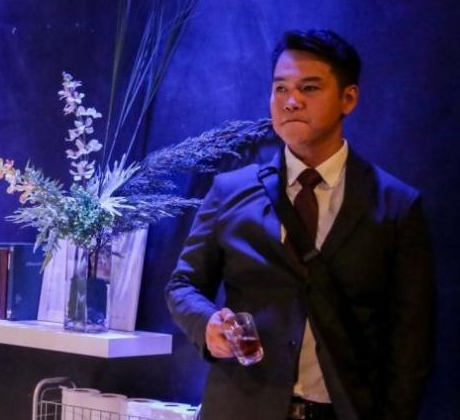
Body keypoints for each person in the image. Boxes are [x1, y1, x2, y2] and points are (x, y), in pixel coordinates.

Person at [166, 30, 433, 420]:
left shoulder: (396, 205)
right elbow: (183, 285)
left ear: (348, 98)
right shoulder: (229, 191)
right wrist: (206, 323)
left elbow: (412, 340)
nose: (291, 101)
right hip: (242, 408)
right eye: (280, 89)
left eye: (309, 88)